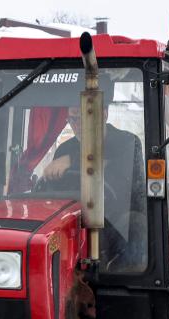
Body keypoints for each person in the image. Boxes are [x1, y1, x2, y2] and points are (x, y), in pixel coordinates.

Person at [41, 95, 145, 271]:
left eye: (84, 117)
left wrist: (73, 162)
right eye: (72, 119)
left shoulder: (127, 142)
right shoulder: (64, 149)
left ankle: (124, 277)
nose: (77, 124)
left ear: (104, 114)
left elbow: (118, 179)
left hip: (117, 219)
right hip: (77, 219)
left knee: (137, 223)